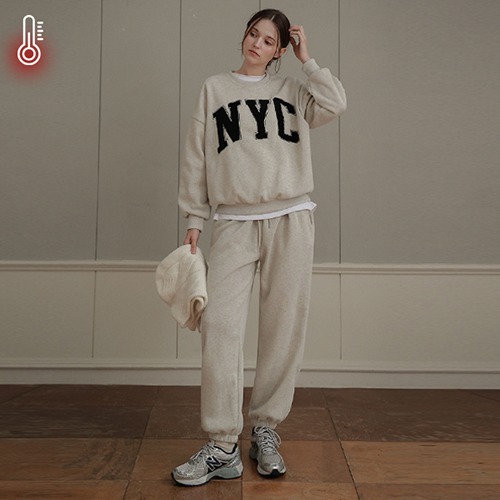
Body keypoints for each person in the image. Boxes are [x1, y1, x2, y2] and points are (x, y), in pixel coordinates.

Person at [172, 8, 346, 486]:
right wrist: (194, 217)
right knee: (220, 327)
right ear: (244, 36)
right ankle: (222, 443)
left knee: (282, 327)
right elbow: (196, 156)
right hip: (233, 222)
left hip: (291, 218)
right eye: (254, 34)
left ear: (280, 50)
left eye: (269, 41)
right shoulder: (214, 89)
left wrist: (308, 61)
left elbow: (335, 103)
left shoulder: (292, 90)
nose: (257, 44)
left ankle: (265, 429)